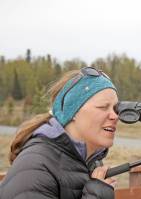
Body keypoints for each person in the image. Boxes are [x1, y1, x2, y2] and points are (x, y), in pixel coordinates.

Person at [0, 66, 119, 199]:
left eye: (116, 109)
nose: (115, 116)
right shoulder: (36, 167)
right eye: (103, 107)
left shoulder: (89, 162)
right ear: (73, 111)